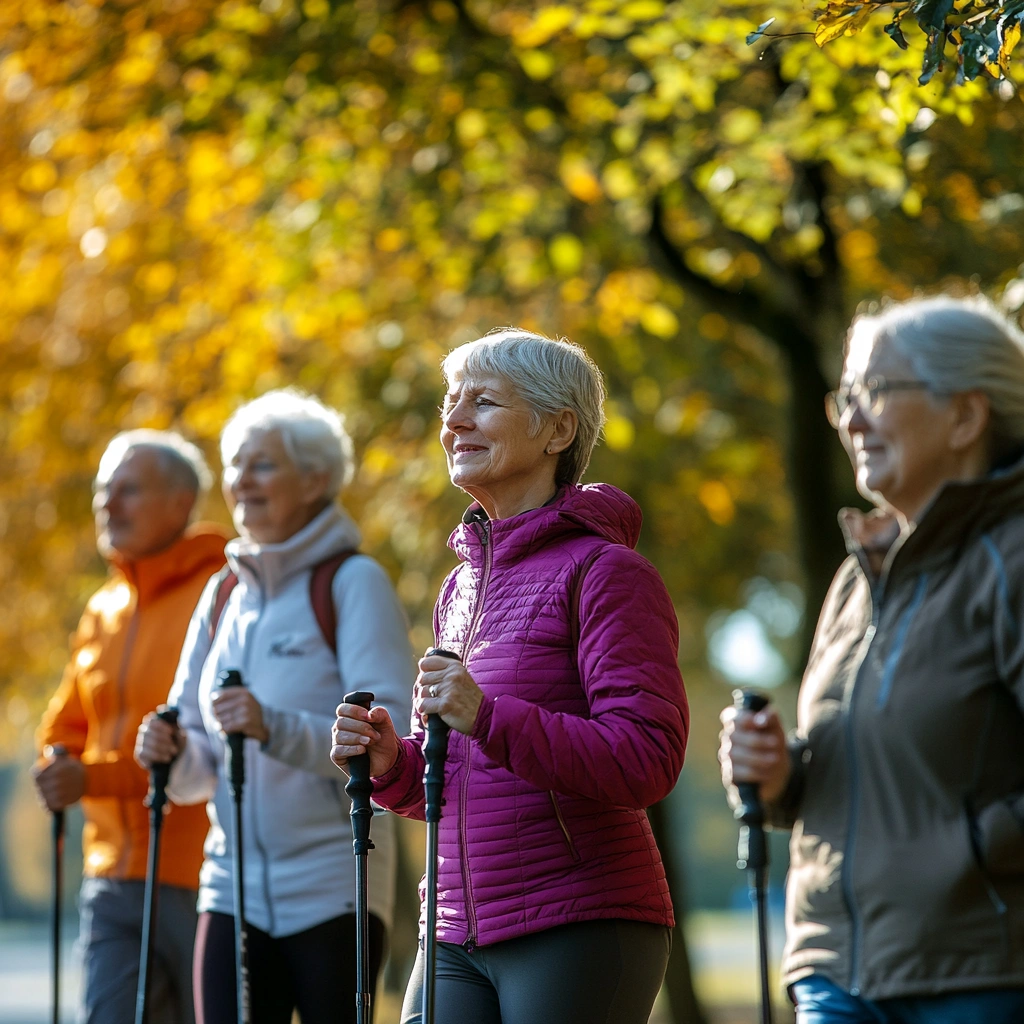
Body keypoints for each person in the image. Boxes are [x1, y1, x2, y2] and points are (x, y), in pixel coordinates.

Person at [331, 330, 690, 1024]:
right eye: (450, 402)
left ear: (559, 429)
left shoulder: (606, 573)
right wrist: (389, 764)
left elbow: (648, 759)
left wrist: (488, 715)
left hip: (578, 921)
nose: (453, 421)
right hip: (454, 929)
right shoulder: (458, 588)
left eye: (484, 402)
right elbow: (452, 777)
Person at [719, 295, 1024, 1024]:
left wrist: (971, 855)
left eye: (878, 393)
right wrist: (783, 773)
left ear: (966, 417)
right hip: (833, 969)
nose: (854, 420)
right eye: (848, 396)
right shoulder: (858, 577)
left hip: (976, 972)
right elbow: (863, 766)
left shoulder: (1012, 559)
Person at [134, 389, 413, 1024]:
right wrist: (167, 754)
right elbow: (194, 764)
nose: (239, 482)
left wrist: (271, 726)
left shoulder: (353, 581)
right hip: (228, 887)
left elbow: (391, 743)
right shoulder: (222, 593)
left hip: (335, 888)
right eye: (234, 465)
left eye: (261, 465)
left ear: (316, 478)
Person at [33, 429, 226, 1024]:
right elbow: (65, 724)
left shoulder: (225, 593)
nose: (106, 504)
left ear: (180, 501)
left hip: (202, 876)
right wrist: (58, 764)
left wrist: (90, 779)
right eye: (101, 490)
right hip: (111, 879)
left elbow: (216, 743)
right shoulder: (102, 610)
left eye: (127, 490)